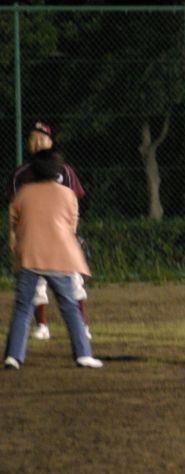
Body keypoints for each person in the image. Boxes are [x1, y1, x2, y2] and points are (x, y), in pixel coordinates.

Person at [5, 149, 102, 369]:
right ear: (56, 170)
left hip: (29, 256)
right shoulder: (67, 194)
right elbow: (72, 225)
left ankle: (13, 356)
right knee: (69, 307)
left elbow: (15, 222)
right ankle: (83, 354)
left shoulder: (23, 192)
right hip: (59, 257)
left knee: (22, 308)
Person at [8, 121, 91, 340]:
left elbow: (74, 204)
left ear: (50, 142)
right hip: (33, 238)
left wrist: (71, 234)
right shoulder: (21, 174)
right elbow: (14, 210)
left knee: (74, 282)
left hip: (61, 239)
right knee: (36, 286)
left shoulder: (64, 170)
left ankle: (82, 325)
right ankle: (42, 325)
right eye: (33, 139)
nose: (37, 142)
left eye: (42, 138)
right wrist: (14, 235)